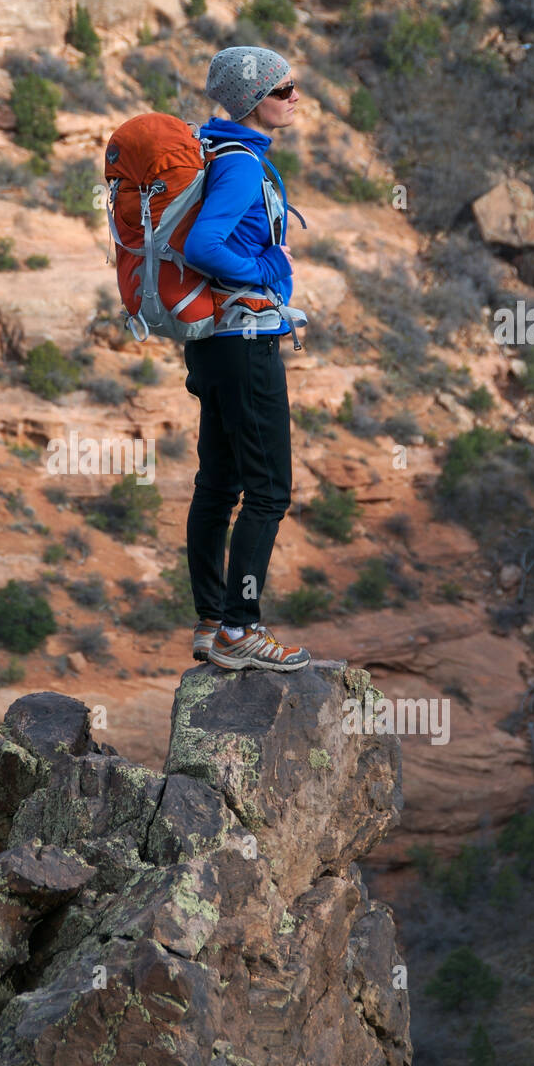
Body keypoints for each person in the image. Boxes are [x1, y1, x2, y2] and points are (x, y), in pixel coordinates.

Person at [181, 45, 311, 673]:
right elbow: (206, 243)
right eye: (285, 89)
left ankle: (212, 622)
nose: (295, 97)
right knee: (268, 490)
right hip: (244, 341)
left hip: (212, 344)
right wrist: (262, 272)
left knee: (218, 485)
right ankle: (241, 626)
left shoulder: (221, 150)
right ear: (254, 100)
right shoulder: (239, 164)